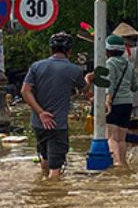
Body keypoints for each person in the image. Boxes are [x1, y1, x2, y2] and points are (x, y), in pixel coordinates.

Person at [21, 32, 90, 179]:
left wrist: (40, 113)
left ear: (50, 49)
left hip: (38, 124)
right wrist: (89, 78)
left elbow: (25, 91)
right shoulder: (74, 70)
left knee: (45, 159)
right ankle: (53, 196)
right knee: (55, 169)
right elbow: (85, 90)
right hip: (58, 125)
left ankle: (43, 191)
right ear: (69, 51)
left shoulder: (36, 66)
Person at [103, 34, 137, 167]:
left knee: (111, 137)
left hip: (115, 102)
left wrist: (108, 100)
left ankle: (117, 163)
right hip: (127, 102)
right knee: (121, 138)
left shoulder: (110, 63)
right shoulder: (129, 64)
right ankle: (123, 162)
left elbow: (109, 83)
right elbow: (134, 86)